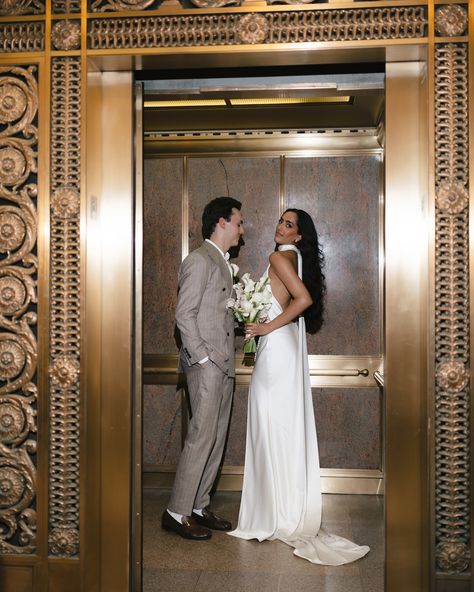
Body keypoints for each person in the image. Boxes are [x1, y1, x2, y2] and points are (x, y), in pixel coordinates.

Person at [228, 208, 370, 565]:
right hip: (283, 346)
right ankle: (282, 508)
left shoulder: (278, 255)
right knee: (279, 427)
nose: (280, 226)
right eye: (280, 221)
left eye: (289, 224)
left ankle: (273, 513)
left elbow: (302, 300)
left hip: (277, 347)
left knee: (267, 425)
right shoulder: (292, 257)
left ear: (298, 235)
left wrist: (263, 326)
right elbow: (296, 299)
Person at [162, 196, 244, 540]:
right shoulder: (199, 259)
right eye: (239, 222)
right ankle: (176, 512)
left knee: (215, 438)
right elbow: (184, 315)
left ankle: (198, 506)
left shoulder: (223, 263)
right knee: (200, 438)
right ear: (221, 222)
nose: (242, 229)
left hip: (223, 365)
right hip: (207, 364)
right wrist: (205, 359)